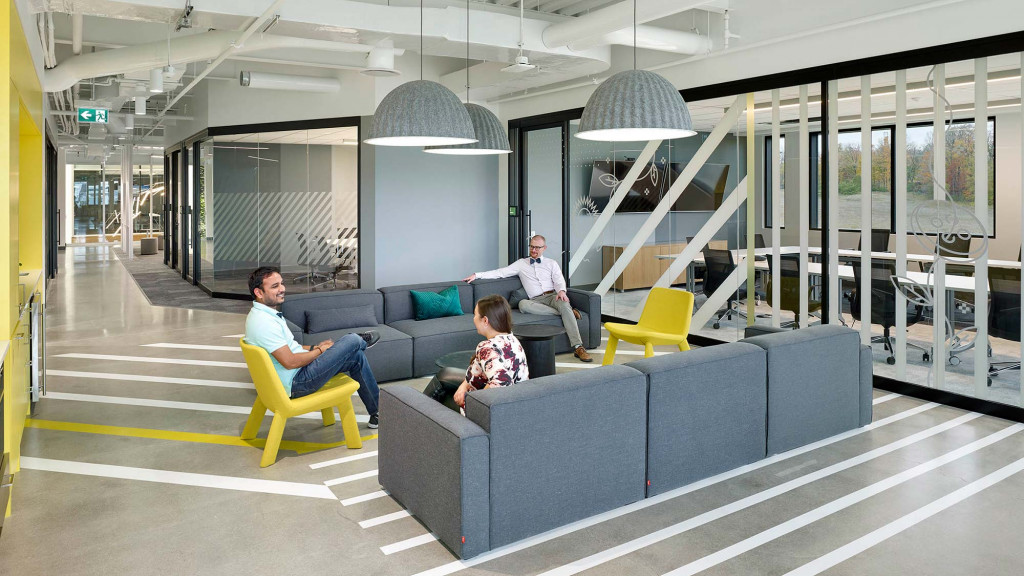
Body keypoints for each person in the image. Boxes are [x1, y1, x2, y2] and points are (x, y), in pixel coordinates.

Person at [244, 266, 382, 429]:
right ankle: (360, 341)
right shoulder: (264, 323)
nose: (282, 289)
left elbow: (291, 347)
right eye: (275, 286)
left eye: (281, 284)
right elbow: (290, 362)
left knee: (356, 357)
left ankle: (378, 414)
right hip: (297, 382)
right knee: (351, 340)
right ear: (259, 293)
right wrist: (319, 351)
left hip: (294, 376)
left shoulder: (264, 315)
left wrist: (314, 347)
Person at [463, 234, 593, 362]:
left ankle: (578, 347)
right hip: (535, 301)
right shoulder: (521, 264)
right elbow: (501, 272)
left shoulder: (551, 263)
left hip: (553, 296)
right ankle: (568, 312)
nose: (534, 250)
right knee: (523, 304)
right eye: (531, 247)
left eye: (537, 247)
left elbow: (559, 280)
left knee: (564, 303)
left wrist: (562, 292)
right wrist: (477, 275)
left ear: (544, 248)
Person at [423, 295, 529, 412]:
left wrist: (470, 401)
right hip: (516, 404)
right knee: (445, 374)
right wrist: (464, 386)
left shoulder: (487, 348)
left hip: (491, 412)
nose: (473, 319)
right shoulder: (512, 339)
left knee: (439, 400)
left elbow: (501, 383)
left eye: (475, 315)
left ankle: (417, 414)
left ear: (485, 321)